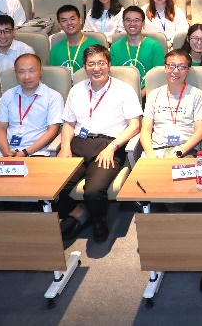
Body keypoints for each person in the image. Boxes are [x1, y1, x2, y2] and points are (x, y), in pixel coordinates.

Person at [56, 45, 142, 243]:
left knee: (93, 191)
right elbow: (69, 124)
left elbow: (135, 125)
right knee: (52, 187)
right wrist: (65, 147)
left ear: (109, 65)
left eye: (101, 63)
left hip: (109, 144)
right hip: (79, 143)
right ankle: (80, 214)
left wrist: (113, 147)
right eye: (91, 64)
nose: (96, 68)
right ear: (85, 67)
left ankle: (98, 220)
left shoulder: (123, 90)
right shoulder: (76, 90)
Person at [140, 48, 202, 159]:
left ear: (188, 70)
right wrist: (150, 154)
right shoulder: (154, 94)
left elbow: (200, 132)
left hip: (185, 151)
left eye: (181, 67)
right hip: (155, 151)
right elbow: (145, 130)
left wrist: (178, 153)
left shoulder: (197, 95)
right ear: (165, 68)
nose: (176, 71)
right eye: (171, 66)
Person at [0, 53, 64, 159]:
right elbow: (1, 127)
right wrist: (6, 152)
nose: (27, 76)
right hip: (5, 152)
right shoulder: (7, 95)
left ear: (40, 71)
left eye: (32, 71)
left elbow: (52, 131)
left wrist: (24, 153)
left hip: (37, 153)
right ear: (15, 73)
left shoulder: (53, 97)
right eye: (21, 72)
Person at [110, 6, 166, 79]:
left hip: (148, 86)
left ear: (143, 23)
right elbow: (114, 77)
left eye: (136, 20)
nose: (132, 24)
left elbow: (159, 77)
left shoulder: (155, 47)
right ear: (123, 23)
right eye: (128, 20)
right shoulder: (115, 48)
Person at [50, 5, 105, 73]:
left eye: (72, 19)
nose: (69, 23)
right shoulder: (55, 50)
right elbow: (53, 75)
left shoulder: (95, 47)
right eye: (64, 20)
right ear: (60, 25)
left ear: (80, 20)